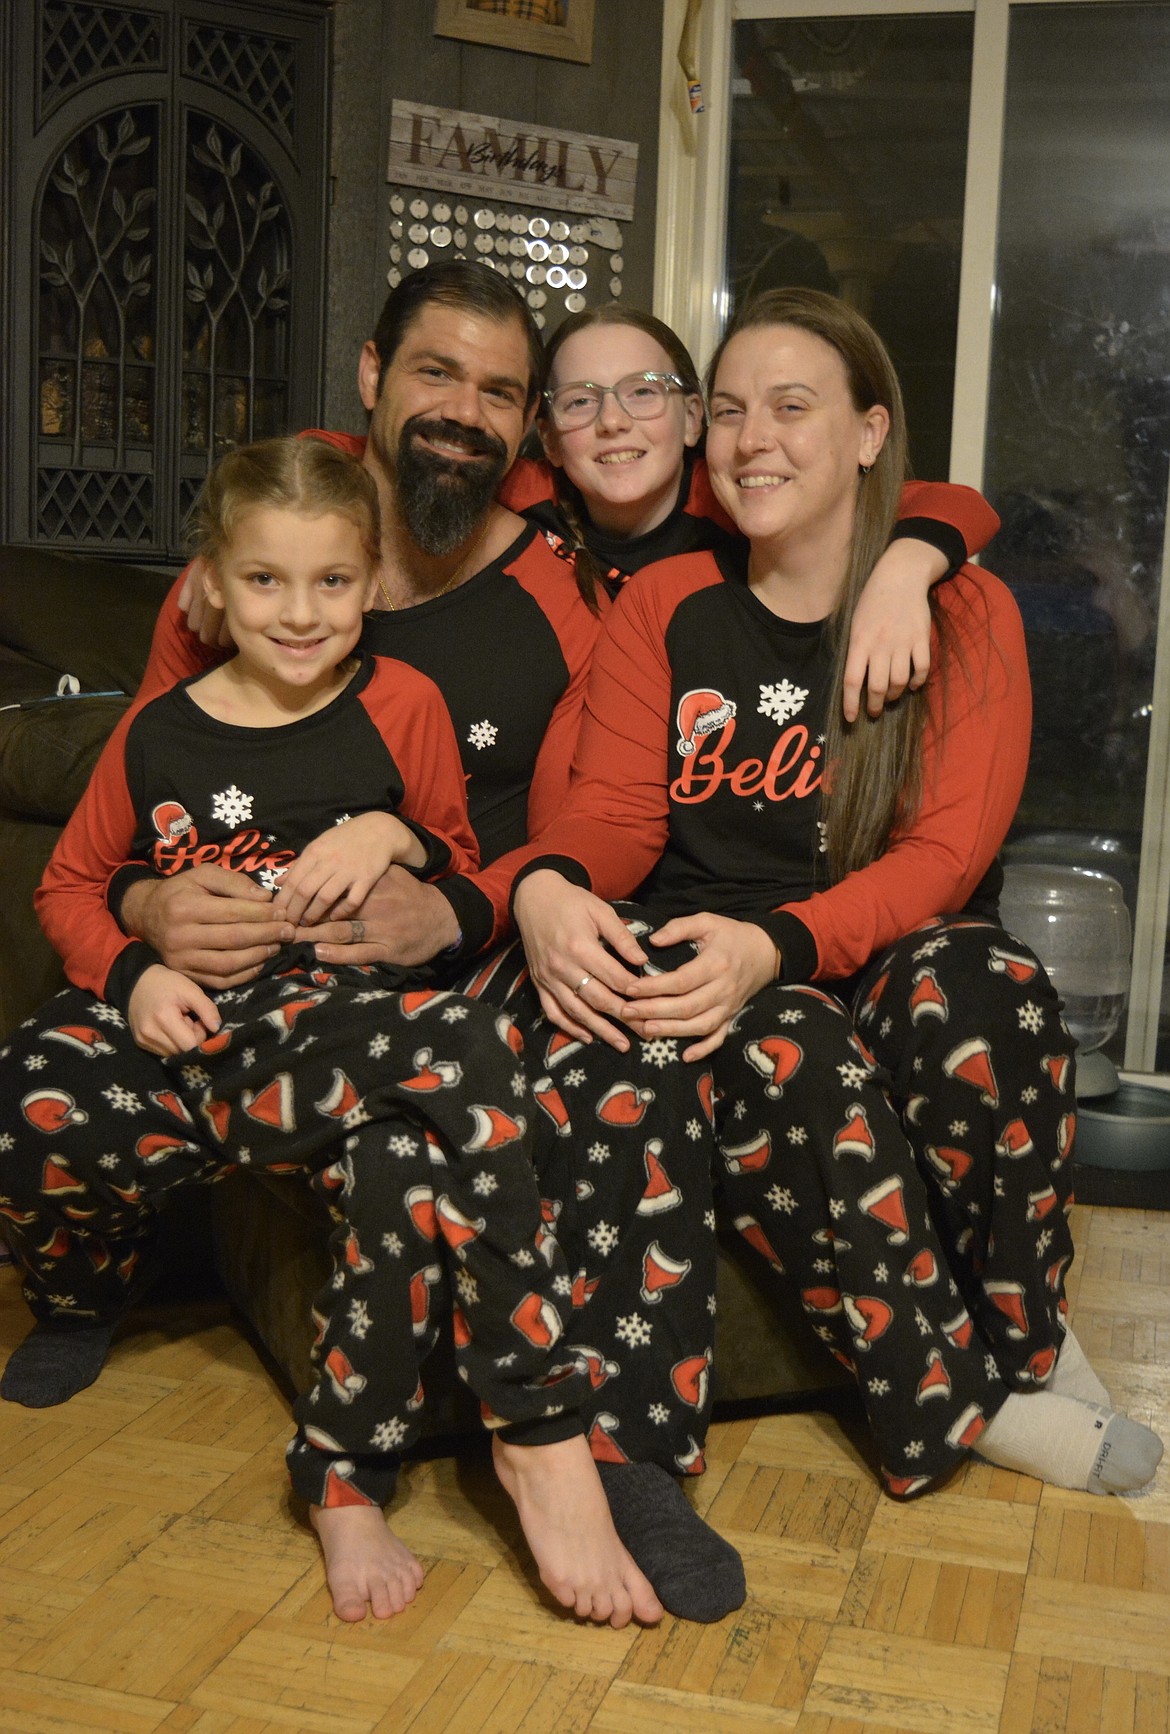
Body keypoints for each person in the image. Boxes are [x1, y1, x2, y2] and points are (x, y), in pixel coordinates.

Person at [507, 288, 1164, 1499]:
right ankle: (965, 1402)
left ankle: (1025, 1345)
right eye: (733, 411)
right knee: (787, 1036)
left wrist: (788, 943)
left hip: (889, 941)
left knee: (995, 993)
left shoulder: (963, 609)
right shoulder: (669, 601)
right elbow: (614, 813)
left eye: (793, 408)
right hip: (730, 949)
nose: (754, 438)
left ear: (870, 432)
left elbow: (942, 862)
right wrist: (548, 880)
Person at [0, 435, 664, 1630]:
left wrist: (393, 837)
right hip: (180, 1043)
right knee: (26, 1090)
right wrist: (134, 965)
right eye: (265, 581)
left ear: (371, 582)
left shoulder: (403, 706)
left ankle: (401, 1460)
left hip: (327, 1048)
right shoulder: (154, 730)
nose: (300, 614)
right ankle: (84, 1294)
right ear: (209, 582)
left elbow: (458, 866)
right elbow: (66, 889)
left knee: (423, 1119)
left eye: (333, 584)